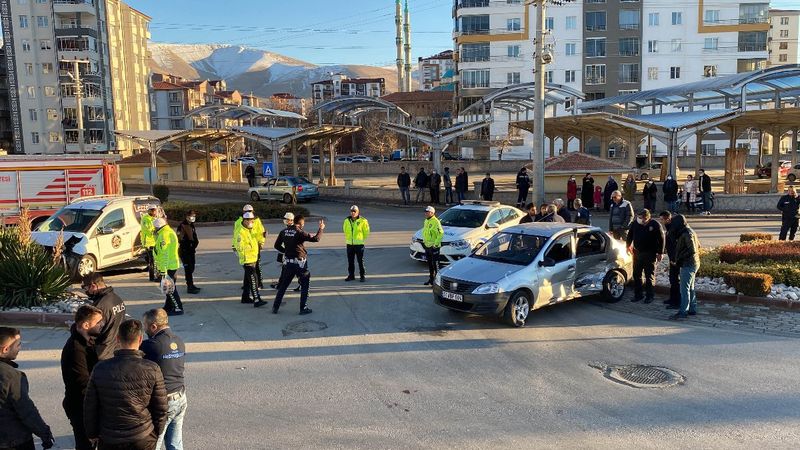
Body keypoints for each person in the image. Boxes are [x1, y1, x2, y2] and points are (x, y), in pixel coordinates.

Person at [84, 319, 168, 450]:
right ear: (140, 340)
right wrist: (155, 432)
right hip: (143, 436)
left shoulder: (100, 368)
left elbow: (90, 406)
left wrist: (92, 433)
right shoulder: (152, 368)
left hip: (109, 437)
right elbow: (161, 408)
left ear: (117, 339)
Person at [0, 327, 55, 450]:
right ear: (5, 349)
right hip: (14, 440)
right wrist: (44, 433)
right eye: (18, 345)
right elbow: (26, 410)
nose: (20, 348)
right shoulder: (12, 376)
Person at [141, 309, 186, 450]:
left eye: (145, 326)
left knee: (154, 443)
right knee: (175, 443)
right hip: (180, 397)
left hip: (163, 402)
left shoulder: (151, 346)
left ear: (153, 326)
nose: (144, 329)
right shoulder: (179, 341)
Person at [61, 305, 104, 450]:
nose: (102, 325)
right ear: (86, 325)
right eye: (98, 322)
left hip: (87, 405)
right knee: (85, 445)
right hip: (81, 408)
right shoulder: (75, 349)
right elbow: (82, 384)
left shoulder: (88, 341)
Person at [269, 215, 325, 314]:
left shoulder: (284, 231)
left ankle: (275, 307)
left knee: (283, 286)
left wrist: (286, 251)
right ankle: (303, 308)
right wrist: (321, 228)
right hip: (300, 264)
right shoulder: (299, 232)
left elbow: (276, 245)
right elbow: (316, 239)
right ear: (301, 224)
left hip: (288, 263)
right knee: (305, 285)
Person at [82, 273, 126, 361]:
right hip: (119, 348)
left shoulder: (99, 306)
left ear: (93, 286)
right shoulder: (117, 299)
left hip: (104, 353)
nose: (86, 292)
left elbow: (92, 331)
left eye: (85, 288)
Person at [626, 209, 665, 304]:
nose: (638, 219)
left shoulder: (655, 225)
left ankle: (649, 295)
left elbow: (661, 239)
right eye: (638, 217)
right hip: (637, 253)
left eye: (640, 218)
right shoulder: (635, 224)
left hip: (650, 254)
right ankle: (638, 294)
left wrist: (660, 252)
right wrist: (628, 246)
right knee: (637, 275)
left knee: (649, 276)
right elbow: (630, 235)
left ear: (646, 218)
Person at [670, 214, 701, 320]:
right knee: (690, 288)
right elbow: (698, 246)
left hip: (688, 264)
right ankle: (692, 308)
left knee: (684, 289)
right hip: (692, 263)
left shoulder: (687, 233)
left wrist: (678, 259)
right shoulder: (689, 231)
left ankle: (683, 311)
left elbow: (692, 250)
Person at [153, 218, 184, 316]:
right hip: (171, 265)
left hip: (168, 267)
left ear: (158, 227)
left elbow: (164, 254)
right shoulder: (167, 231)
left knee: (170, 289)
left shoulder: (164, 235)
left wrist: (163, 270)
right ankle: (168, 306)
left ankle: (178, 308)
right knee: (168, 288)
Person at [232, 205, 266, 289]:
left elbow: (261, 232)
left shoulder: (256, 220)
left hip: (255, 245)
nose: (249, 213)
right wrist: (234, 246)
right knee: (248, 268)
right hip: (245, 247)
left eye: (250, 211)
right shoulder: (238, 222)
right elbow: (235, 235)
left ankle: (259, 283)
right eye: (247, 211)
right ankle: (247, 286)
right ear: (243, 212)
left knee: (256, 266)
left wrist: (261, 243)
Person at [235, 212, 263, 306]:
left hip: (253, 258)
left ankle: (245, 297)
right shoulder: (241, 232)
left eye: (252, 220)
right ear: (245, 221)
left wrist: (262, 235)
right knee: (253, 278)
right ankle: (257, 299)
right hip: (247, 260)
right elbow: (239, 247)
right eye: (250, 220)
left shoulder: (250, 229)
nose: (252, 222)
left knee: (247, 280)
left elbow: (256, 238)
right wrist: (247, 254)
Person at [269, 213, 301, 293]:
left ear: (290, 220)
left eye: (286, 219)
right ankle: (280, 285)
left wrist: (285, 251)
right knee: (287, 269)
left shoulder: (286, 231)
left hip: (291, 254)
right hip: (292, 253)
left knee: (293, 270)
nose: (284, 220)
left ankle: (301, 284)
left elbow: (277, 245)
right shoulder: (295, 229)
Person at [659, 211, 681, 309]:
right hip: (672, 259)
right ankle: (672, 299)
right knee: (672, 279)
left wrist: (674, 259)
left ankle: (676, 302)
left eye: (662, 219)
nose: (661, 222)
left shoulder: (673, 229)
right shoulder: (669, 228)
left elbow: (675, 246)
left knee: (675, 280)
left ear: (667, 219)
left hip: (676, 260)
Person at [343, 205, 370, 282]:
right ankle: (351, 275)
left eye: (355, 211)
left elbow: (366, 232)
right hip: (349, 244)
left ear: (358, 212)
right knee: (350, 261)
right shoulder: (346, 221)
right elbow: (344, 230)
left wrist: (360, 239)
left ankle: (362, 276)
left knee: (360, 261)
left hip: (359, 245)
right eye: (352, 211)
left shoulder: (363, 221)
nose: (353, 212)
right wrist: (349, 239)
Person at [177, 210, 200, 294]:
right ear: (187, 217)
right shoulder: (182, 226)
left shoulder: (192, 225)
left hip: (191, 251)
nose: (192, 217)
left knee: (192, 267)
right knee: (188, 269)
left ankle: (191, 285)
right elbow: (180, 238)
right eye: (191, 216)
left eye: (194, 216)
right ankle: (189, 286)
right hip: (185, 251)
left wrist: (195, 243)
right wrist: (188, 244)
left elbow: (194, 236)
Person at [421, 206, 443, 286]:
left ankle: (438, 283)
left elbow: (441, 233)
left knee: (436, 265)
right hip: (427, 246)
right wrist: (424, 242)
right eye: (425, 212)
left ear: (432, 213)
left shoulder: (436, 221)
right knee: (430, 264)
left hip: (434, 247)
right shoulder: (426, 221)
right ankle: (431, 279)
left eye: (427, 212)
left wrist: (436, 244)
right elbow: (425, 232)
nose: (426, 213)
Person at [140, 206, 158, 282]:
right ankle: (152, 276)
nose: (155, 212)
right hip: (149, 243)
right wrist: (156, 230)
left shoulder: (153, 219)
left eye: (155, 211)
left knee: (154, 260)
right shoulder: (146, 219)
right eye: (153, 211)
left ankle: (155, 274)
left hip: (154, 242)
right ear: (149, 211)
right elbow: (149, 231)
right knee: (152, 261)